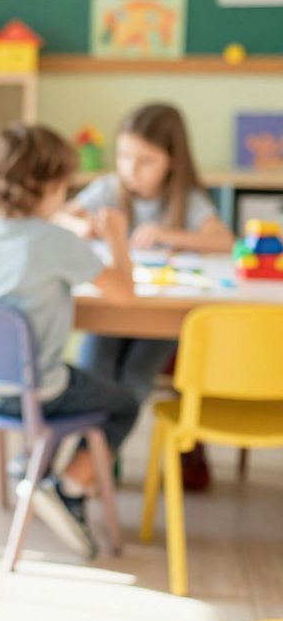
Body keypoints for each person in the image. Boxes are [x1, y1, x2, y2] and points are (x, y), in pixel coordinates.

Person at [0, 124, 139, 558]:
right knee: (124, 403)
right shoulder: (55, 242)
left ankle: (30, 466)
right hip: (37, 392)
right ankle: (67, 487)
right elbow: (124, 294)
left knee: (68, 379)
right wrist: (116, 236)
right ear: (51, 187)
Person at [58, 103, 236, 489]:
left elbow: (225, 242)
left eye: (145, 161)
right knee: (93, 370)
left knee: (133, 378)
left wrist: (170, 235)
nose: (130, 170)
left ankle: (82, 473)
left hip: (159, 320)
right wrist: (84, 225)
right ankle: (86, 469)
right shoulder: (109, 189)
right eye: (123, 157)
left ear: (172, 160)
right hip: (111, 309)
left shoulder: (185, 200)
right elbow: (59, 216)